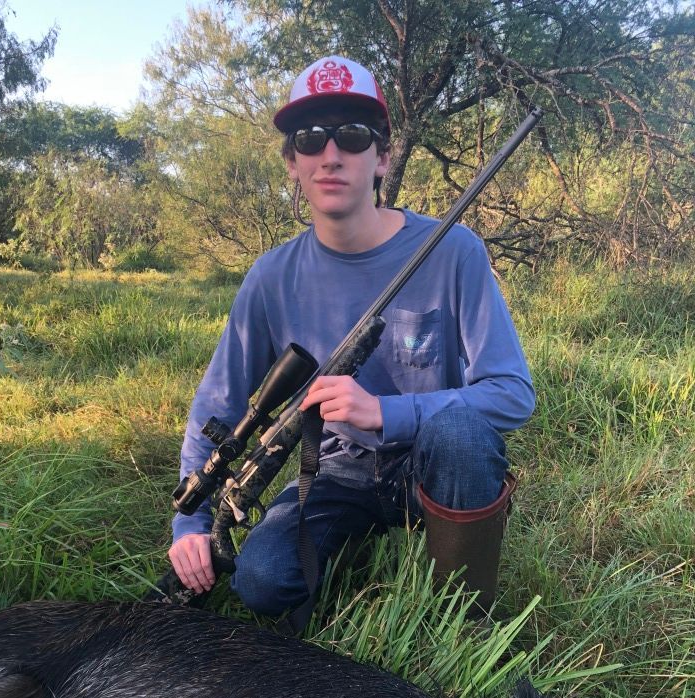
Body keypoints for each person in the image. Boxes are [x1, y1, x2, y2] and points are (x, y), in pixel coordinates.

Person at [168, 55, 535, 618]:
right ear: (292, 161)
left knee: (463, 435)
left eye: (352, 135)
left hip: (430, 460)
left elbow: (511, 393)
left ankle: (465, 619)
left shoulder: (453, 249)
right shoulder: (271, 276)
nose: (331, 154)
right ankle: (347, 544)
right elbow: (217, 401)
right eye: (310, 139)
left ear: (382, 157)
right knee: (262, 582)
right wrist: (190, 523)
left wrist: (386, 412)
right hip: (332, 470)